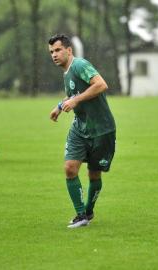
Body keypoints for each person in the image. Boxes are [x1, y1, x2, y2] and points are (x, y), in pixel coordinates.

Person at [48, 34, 116, 228]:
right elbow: (73, 93)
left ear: (69, 50)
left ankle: (88, 211)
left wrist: (75, 100)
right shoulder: (66, 71)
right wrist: (60, 106)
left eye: (58, 50)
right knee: (70, 168)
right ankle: (80, 215)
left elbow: (101, 84)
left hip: (102, 130)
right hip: (80, 128)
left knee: (94, 175)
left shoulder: (79, 65)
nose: (54, 54)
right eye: (51, 51)